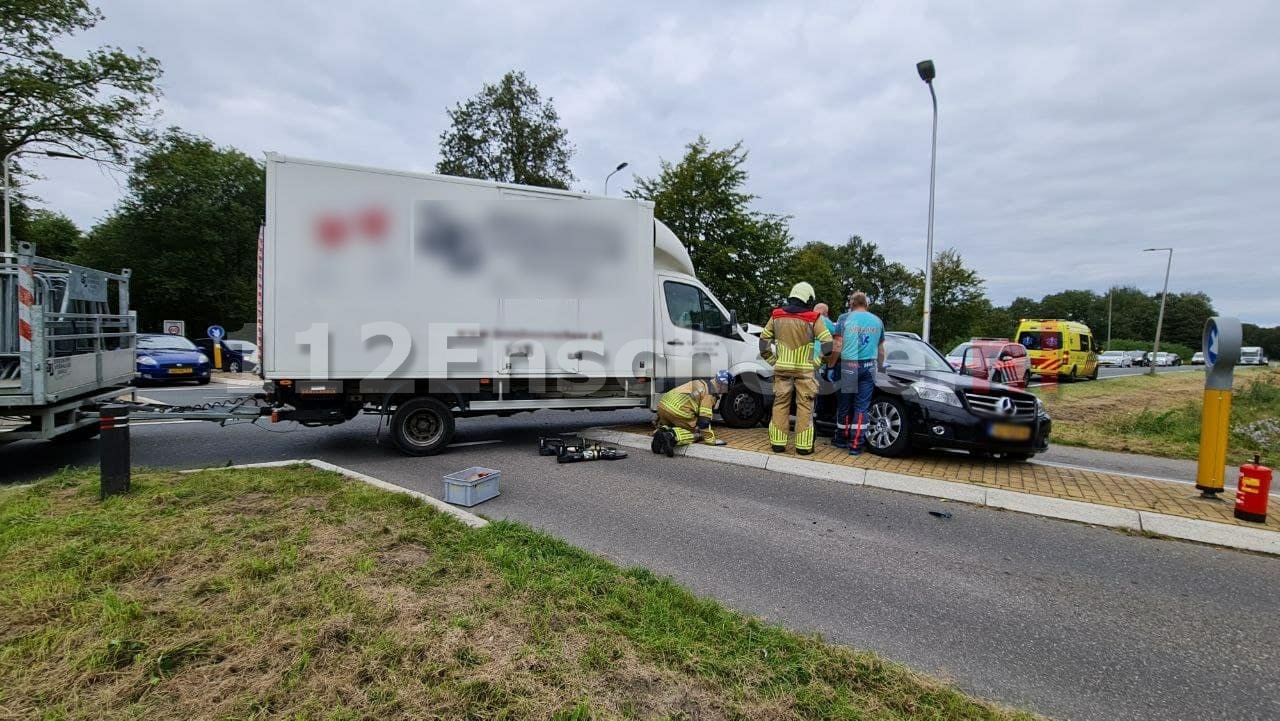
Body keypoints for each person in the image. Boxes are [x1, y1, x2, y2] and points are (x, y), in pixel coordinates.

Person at [760, 282, 833, 455]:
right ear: (808, 298)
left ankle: (778, 444)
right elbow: (828, 344)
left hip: (782, 368)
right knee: (805, 405)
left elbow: (763, 341)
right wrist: (818, 362)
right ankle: (803, 447)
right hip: (805, 370)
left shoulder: (776, 316)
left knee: (780, 404)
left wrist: (772, 361)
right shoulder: (814, 318)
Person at [832, 291, 885, 455]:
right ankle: (856, 445)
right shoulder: (877, 321)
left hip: (849, 365)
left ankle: (842, 438)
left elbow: (837, 345)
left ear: (852, 304)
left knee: (845, 404)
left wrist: (831, 365)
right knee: (862, 407)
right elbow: (881, 349)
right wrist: (881, 367)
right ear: (866, 304)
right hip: (869, 367)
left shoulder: (844, 318)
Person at [651, 370, 733, 457]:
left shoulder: (700, 383)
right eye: (727, 389)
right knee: (696, 433)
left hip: (663, 404)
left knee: (678, 426)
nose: (725, 392)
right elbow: (704, 422)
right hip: (677, 410)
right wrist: (711, 440)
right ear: (723, 385)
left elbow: (689, 397)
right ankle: (670, 436)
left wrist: (658, 415)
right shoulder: (709, 394)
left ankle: (661, 432)